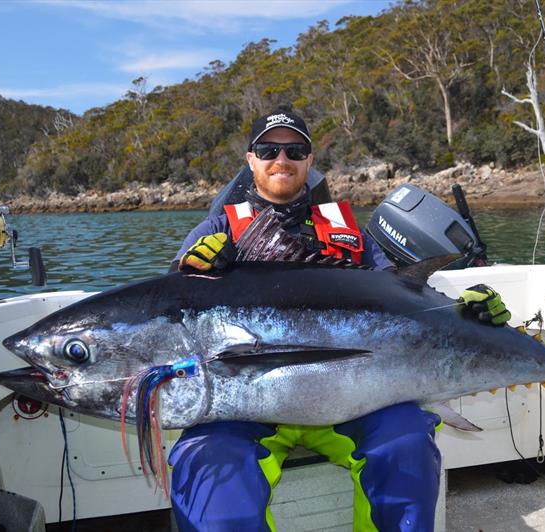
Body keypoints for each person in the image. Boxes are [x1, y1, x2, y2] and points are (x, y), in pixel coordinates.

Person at [168, 108, 510, 531]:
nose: (282, 159)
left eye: (295, 150)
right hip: (245, 406)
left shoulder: (349, 230)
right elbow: (170, 313)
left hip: (351, 397)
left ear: (310, 161)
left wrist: (465, 311)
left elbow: (400, 298)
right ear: (251, 159)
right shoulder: (218, 226)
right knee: (207, 464)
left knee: (407, 440)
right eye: (268, 149)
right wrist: (189, 272)